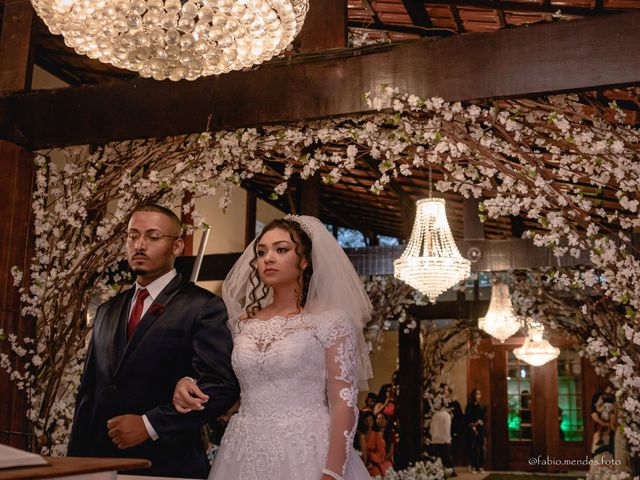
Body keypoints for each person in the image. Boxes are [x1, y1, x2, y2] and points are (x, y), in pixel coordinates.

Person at [173, 215, 372, 480]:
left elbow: (343, 402)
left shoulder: (330, 320)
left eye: (281, 249)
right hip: (243, 449)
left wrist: (333, 471)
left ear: (304, 259)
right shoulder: (243, 323)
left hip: (306, 451)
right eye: (261, 252)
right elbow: (225, 381)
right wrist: (187, 381)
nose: (268, 258)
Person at [68, 205, 240, 478]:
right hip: (102, 462)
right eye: (132, 235)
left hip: (167, 462)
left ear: (178, 246)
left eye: (153, 236)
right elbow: (89, 393)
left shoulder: (203, 306)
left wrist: (150, 425)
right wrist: (74, 465)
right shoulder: (107, 310)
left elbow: (221, 386)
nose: (139, 244)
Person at [360, 411, 392, 477]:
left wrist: (371, 456)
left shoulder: (376, 434)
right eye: (366, 420)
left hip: (375, 462)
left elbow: (381, 452)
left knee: (374, 472)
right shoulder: (359, 435)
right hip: (361, 461)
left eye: (370, 420)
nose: (368, 423)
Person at [430, 396, 455, 477]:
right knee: (445, 456)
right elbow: (447, 428)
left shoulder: (437, 415)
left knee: (441, 457)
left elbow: (432, 428)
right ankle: (447, 471)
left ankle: (442, 471)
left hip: (437, 438)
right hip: (443, 439)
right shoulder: (445, 415)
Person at [465, 388, 487, 473]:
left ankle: (481, 466)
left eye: (479, 394)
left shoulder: (483, 406)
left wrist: (481, 421)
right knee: (472, 447)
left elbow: (484, 417)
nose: (477, 396)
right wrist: (472, 423)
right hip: (471, 429)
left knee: (481, 448)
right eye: (476, 394)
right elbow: (467, 417)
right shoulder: (469, 406)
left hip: (480, 429)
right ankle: (473, 465)